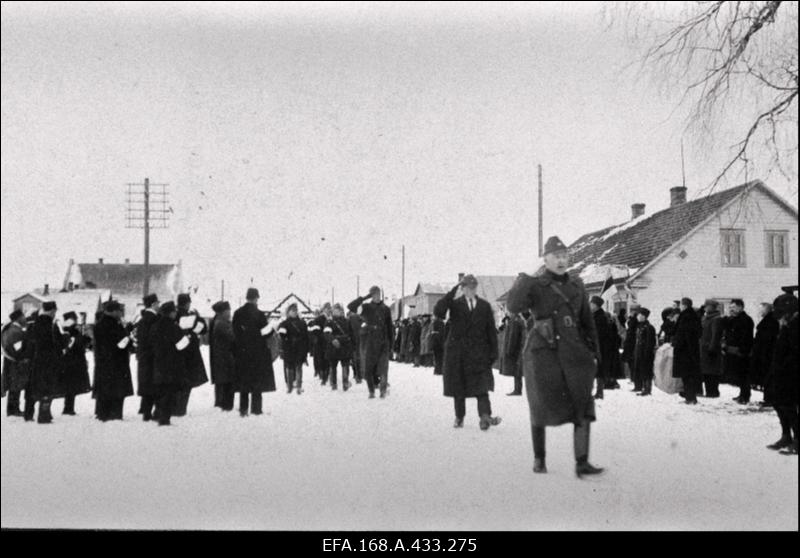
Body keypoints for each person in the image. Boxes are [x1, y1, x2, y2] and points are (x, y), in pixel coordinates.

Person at [506, 236, 603, 477]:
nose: (561, 260)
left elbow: (586, 321)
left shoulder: (577, 285)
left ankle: (582, 461)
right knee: (540, 405)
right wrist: (525, 277)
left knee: (582, 404)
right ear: (545, 260)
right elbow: (514, 306)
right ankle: (539, 458)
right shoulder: (535, 284)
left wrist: (595, 353)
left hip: (574, 352)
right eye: (555, 256)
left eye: (564, 256)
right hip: (543, 354)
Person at [433, 274, 500, 430]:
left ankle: (485, 417)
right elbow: (439, 310)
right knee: (459, 388)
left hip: (479, 354)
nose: (472, 290)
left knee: (482, 388)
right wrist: (452, 290)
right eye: (468, 287)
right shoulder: (454, 305)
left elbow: (491, 330)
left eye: (474, 287)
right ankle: (459, 417)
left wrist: (493, 352)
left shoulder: (484, 306)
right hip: (458, 354)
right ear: (462, 289)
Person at [232, 288, 278, 416]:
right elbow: (266, 333)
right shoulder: (259, 314)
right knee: (257, 383)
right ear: (256, 298)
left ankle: (243, 409)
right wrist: (272, 328)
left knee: (244, 383)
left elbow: (235, 333)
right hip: (257, 354)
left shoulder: (237, 313)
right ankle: (256, 410)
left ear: (247, 298)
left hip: (242, 353)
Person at [766, 293, 798, 455]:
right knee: (778, 403)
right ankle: (786, 435)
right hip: (780, 371)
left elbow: (795, 351)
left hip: (791, 373)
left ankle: (797, 439)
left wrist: (784, 366)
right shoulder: (787, 323)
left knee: (789, 405)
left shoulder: (796, 325)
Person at [348, 285, 393, 399]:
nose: (377, 296)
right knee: (368, 369)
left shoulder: (386, 309)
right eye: (374, 294)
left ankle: (382, 391)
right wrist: (364, 298)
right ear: (371, 295)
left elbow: (390, 327)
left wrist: (391, 344)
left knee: (383, 368)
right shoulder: (366, 307)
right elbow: (351, 306)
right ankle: (371, 391)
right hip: (370, 341)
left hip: (383, 341)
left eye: (378, 294)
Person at [92, 300, 135, 421]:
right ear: (114, 311)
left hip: (103, 362)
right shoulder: (113, 325)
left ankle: (102, 413)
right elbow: (120, 343)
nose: (121, 313)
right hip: (116, 362)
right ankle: (114, 415)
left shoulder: (100, 324)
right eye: (120, 311)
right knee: (116, 391)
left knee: (104, 390)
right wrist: (129, 337)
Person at [24, 301, 66, 423]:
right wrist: (64, 340)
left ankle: (28, 414)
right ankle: (44, 415)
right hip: (48, 362)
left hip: (35, 361)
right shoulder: (50, 326)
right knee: (46, 389)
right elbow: (55, 344)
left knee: (32, 388)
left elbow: (29, 342)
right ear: (53, 311)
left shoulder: (33, 323)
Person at [150, 301, 191, 426]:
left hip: (158, 362)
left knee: (160, 390)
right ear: (171, 313)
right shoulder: (173, 327)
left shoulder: (155, 326)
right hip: (172, 363)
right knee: (169, 391)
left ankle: (157, 413)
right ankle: (165, 418)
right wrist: (187, 338)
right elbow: (180, 345)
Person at [174, 293, 209, 416]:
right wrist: (198, 322)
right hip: (188, 353)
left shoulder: (175, 314)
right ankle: (180, 410)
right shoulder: (186, 315)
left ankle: (178, 409)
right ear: (187, 303)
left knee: (180, 383)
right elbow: (202, 328)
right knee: (185, 384)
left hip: (180, 353)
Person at [58, 311, 91, 415]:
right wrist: (86, 337)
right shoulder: (72, 332)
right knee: (71, 387)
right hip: (74, 363)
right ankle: (68, 408)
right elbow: (80, 343)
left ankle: (68, 407)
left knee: (70, 387)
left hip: (70, 362)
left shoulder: (65, 330)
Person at [722, 299, 755, 404]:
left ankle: (745, 396)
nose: (731, 309)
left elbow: (746, 337)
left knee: (744, 374)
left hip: (742, 351)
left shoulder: (746, 320)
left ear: (741, 307)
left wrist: (742, 350)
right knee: (739, 375)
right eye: (730, 307)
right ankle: (742, 394)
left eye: (734, 307)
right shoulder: (733, 319)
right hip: (733, 350)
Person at [672, 297, 702, 404]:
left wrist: (677, 344)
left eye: (680, 305)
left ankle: (690, 397)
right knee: (688, 375)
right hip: (689, 350)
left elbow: (683, 334)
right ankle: (690, 396)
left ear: (684, 305)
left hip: (686, 351)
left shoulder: (686, 316)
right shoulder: (692, 316)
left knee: (687, 375)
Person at [135, 293, 160, 421]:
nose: (159, 305)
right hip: (152, 357)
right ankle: (150, 413)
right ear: (153, 304)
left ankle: (146, 411)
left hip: (144, 357)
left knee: (147, 385)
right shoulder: (154, 319)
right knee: (154, 385)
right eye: (158, 303)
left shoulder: (142, 319)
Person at [1, 309, 29, 417]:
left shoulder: (10, 329)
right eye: (23, 317)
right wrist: (22, 358)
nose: (25, 319)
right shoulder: (16, 331)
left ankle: (12, 409)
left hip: (11, 362)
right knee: (15, 385)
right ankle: (13, 410)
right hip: (16, 363)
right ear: (19, 318)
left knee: (14, 385)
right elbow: (16, 349)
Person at [751, 302, 779, 407]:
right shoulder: (768, 320)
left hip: (767, 352)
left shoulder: (770, 321)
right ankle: (768, 397)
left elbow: (767, 338)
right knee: (766, 375)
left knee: (768, 376)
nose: (760, 311)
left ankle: (770, 398)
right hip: (764, 352)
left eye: (761, 309)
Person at [209, 300, 236, 410]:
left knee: (222, 382)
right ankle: (224, 406)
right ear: (222, 312)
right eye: (228, 311)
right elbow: (233, 337)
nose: (230, 313)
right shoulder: (221, 324)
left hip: (221, 358)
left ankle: (221, 404)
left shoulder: (217, 321)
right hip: (224, 358)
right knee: (226, 382)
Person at [278, 303, 310, 394]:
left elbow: (306, 337)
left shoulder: (302, 323)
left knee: (299, 367)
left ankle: (299, 386)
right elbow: (282, 335)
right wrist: (287, 340)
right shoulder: (284, 323)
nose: (294, 312)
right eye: (292, 311)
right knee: (290, 367)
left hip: (300, 348)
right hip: (289, 348)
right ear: (288, 312)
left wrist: (306, 349)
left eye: (296, 310)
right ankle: (290, 386)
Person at [325, 303, 354, 391]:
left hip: (335, 346)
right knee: (343, 365)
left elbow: (327, 334)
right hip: (343, 346)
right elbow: (350, 335)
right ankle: (343, 383)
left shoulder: (329, 322)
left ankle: (335, 384)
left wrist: (334, 340)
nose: (336, 312)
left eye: (337, 310)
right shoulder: (346, 321)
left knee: (335, 366)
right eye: (335, 310)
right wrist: (338, 339)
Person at [590, 296, 613, 400]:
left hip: (601, 347)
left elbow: (600, 334)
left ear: (596, 305)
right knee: (596, 370)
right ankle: (598, 392)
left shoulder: (601, 318)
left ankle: (600, 392)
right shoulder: (594, 316)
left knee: (600, 370)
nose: (589, 305)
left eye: (591, 304)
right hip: (595, 347)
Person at [699, 299, 724, 398]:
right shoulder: (705, 318)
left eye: (706, 306)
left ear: (712, 307)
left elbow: (715, 335)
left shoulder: (716, 319)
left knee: (712, 372)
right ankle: (709, 391)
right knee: (706, 372)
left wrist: (712, 348)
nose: (705, 307)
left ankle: (713, 392)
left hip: (710, 350)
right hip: (704, 349)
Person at [500, 312, 527, 396]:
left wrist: (509, 350)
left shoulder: (514, 320)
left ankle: (517, 389)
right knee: (517, 370)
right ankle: (517, 389)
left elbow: (513, 336)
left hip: (516, 348)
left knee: (517, 370)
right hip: (519, 347)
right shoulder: (518, 319)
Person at [633, 308, 657, 396]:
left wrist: (647, 353)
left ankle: (647, 388)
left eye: (640, 315)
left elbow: (650, 342)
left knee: (646, 371)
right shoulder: (640, 326)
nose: (638, 317)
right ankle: (641, 387)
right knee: (641, 370)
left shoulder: (649, 328)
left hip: (646, 353)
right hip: (639, 351)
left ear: (644, 316)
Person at [309, 305, 332, 385]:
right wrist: (322, 337)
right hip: (321, 343)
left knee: (328, 359)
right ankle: (323, 375)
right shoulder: (319, 319)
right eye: (327, 309)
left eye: (330, 308)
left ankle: (326, 374)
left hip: (329, 343)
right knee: (321, 359)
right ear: (324, 310)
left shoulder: (331, 319)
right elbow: (315, 331)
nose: (329, 310)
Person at [622, 307, 640, 389]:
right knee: (630, 361)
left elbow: (630, 327)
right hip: (629, 343)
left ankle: (633, 377)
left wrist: (629, 320)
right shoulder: (631, 319)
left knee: (632, 362)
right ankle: (632, 377)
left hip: (631, 343)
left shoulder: (634, 320)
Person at [347, 309, 364, 382]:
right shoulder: (362, 318)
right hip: (360, 341)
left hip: (353, 342)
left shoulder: (349, 319)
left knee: (354, 359)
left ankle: (356, 375)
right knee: (359, 359)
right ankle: (359, 375)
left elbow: (348, 331)